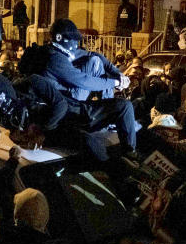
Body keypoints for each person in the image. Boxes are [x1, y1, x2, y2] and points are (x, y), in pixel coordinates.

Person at [41, 19, 138, 160]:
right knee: (122, 105)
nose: (76, 44)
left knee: (95, 61)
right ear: (59, 38)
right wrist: (114, 82)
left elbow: (94, 55)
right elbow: (83, 81)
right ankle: (128, 153)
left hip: (70, 99)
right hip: (66, 106)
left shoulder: (61, 50)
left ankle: (111, 119)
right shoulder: (53, 58)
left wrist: (118, 74)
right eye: (73, 40)